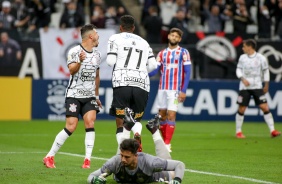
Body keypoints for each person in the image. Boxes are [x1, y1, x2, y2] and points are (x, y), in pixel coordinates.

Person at [43, 24, 103, 169]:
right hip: (74, 94)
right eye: (96, 33)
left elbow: (97, 76)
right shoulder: (74, 51)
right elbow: (71, 70)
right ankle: (49, 156)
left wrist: (96, 95)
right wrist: (80, 61)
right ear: (90, 36)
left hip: (89, 96)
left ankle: (87, 161)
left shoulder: (97, 54)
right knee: (71, 126)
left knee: (90, 123)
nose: (98, 35)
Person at [87, 110, 185, 184]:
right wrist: (94, 180)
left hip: (155, 176)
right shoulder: (116, 161)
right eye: (122, 156)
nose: (123, 159)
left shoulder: (149, 161)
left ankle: (154, 130)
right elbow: (91, 176)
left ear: (136, 155)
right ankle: (127, 127)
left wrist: (177, 180)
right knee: (118, 158)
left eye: (127, 157)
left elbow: (179, 165)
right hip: (125, 175)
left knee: (171, 172)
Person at [106, 15, 157, 153]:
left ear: (120, 27)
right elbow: (153, 65)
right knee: (135, 120)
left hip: (122, 82)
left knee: (121, 121)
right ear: (133, 28)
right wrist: (140, 71)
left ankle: (123, 151)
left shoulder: (115, 38)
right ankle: (137, 134)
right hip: (142, 84)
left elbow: (110, 61)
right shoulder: (144, 42)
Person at [149, 28, 192, 152]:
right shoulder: (162, 53)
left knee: (171, 115)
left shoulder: (184, 52)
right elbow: (156, 71)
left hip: (175, 90)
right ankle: (164, 142)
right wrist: (144, 74)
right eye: (172, 35)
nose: (174, 38)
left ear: (179, 39)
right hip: (162, 89)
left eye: (176, 36)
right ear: (168, 36)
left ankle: (167, 144)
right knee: (162, 117)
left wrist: (183, 90)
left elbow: (187, 72)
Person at [235, 39, 281, 139]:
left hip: (257, 86)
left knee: (264, 107)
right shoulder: (242, 58)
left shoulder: (261, 58)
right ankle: (238, 131)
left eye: (244, 46)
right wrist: (242, 79)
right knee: (242, 108)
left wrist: (266, 84)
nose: (243, 48)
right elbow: (238, 69)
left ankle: (272, 130)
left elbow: (266, 71)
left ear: (249, 47)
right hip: (244, 87)